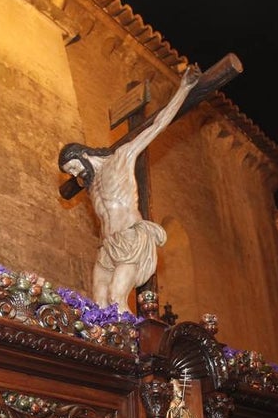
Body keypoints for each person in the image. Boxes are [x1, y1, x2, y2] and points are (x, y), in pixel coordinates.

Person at [59, 65, 201, 308]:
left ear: (83, 154)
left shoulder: (122, 157)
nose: (75, 174)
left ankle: (131, 346)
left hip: (130, 238)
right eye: (70, 172)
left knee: (116, 298)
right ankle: (102, 346)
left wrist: (184, 88)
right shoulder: (91, 184)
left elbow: (157, 125)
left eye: (73, 167)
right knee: (98, 302)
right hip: (107, 246)